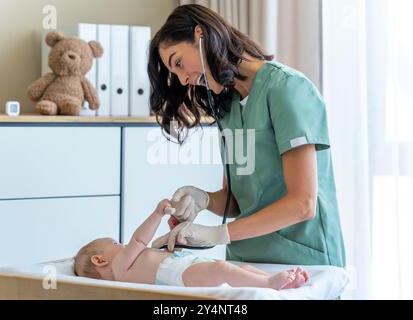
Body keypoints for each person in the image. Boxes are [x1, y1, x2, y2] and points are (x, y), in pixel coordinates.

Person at [147, 4, 346, 267]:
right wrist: (203, 199)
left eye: (179, 63)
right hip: (247, 265)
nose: (184, 80)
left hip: (303, 263)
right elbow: (239, 202)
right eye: (176, 73)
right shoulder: (228, 106)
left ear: (200, 34)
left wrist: (218, 234)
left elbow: (302, 204)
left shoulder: (287, 89)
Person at [74, 199, 309, 289]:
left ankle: (280, 280)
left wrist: (173, 235)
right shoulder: (119, 269)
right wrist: (157, 213)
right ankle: (268, 283)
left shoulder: (131, 264)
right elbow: (139, 239)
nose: (123, 243)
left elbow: (157, 250)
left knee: (238, 269)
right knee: (223, 270)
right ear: (100, 260)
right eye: (115, 242)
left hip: (183, 265)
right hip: (178, 275)